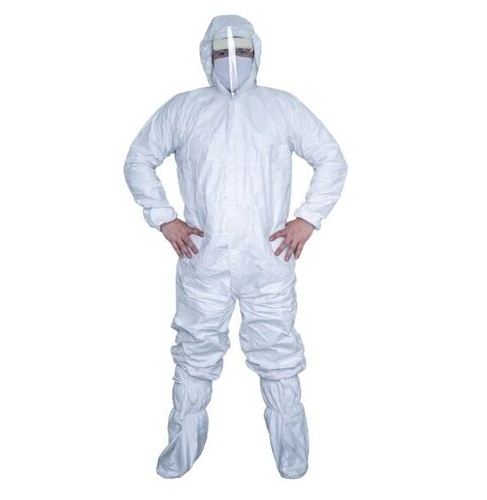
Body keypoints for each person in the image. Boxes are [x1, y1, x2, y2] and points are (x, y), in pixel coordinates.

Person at [123, 14, 348, 479]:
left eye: (242, 51)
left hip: (267, 260)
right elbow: (139, 159)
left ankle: (291, 452)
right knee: (194, 354)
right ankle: (181, 450)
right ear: (206, 55)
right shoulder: (185, 109)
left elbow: (331, 158)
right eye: (222, 52)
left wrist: (308, 218)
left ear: (257, 53)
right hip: (202, 260)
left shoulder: (280, 107)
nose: (232, 61)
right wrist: (165, 218)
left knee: (279, 355)